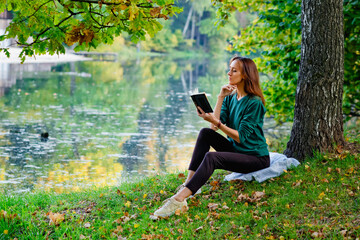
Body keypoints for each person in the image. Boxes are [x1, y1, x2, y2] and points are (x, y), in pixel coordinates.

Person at [152, 56, 270, 218]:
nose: (229, 73)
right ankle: (190, 184)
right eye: (229, 69)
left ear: (245, 75)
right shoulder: (231, 97)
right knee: (205, 133)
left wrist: (217, 123)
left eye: (234, 70)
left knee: (212, 157)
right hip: (237, 150)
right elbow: (213, 127)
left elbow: (240, 137)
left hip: (255, 157)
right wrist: (221, 96)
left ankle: (179, 199)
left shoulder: (254, 103)